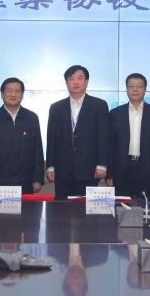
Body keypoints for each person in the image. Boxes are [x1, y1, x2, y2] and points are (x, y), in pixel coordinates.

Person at [46, 65, 110, 199]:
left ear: (86, 82)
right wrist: (50, 166)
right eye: (71, 79)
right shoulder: (56, 108)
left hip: (89, 169)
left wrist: (102, 164)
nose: (75, 82)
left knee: (87, 208)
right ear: (66, 83)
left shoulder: (99, 105)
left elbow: (104, 137)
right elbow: (51, 139)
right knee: (62, 208)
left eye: (80, 78)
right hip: (62, 170)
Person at [107, 73, 150, 202]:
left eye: (139, 86)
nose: (135, 90)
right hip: (122, 168)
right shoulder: (115, 113)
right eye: (131, 86)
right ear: (126, 89)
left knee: (146, 206)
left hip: (147, 169)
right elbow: (110, 145)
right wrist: (109, 173)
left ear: (145, 89)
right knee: (121, 206)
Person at [0, 77, 44, 195]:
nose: (13, 94)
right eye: (9, 91)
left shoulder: (31, 118)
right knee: (2, 208)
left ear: (22, 94)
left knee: (27, 208)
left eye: (17, 91)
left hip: (26, 180)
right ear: (2, 94)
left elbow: (37, 150)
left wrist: (38, 179)